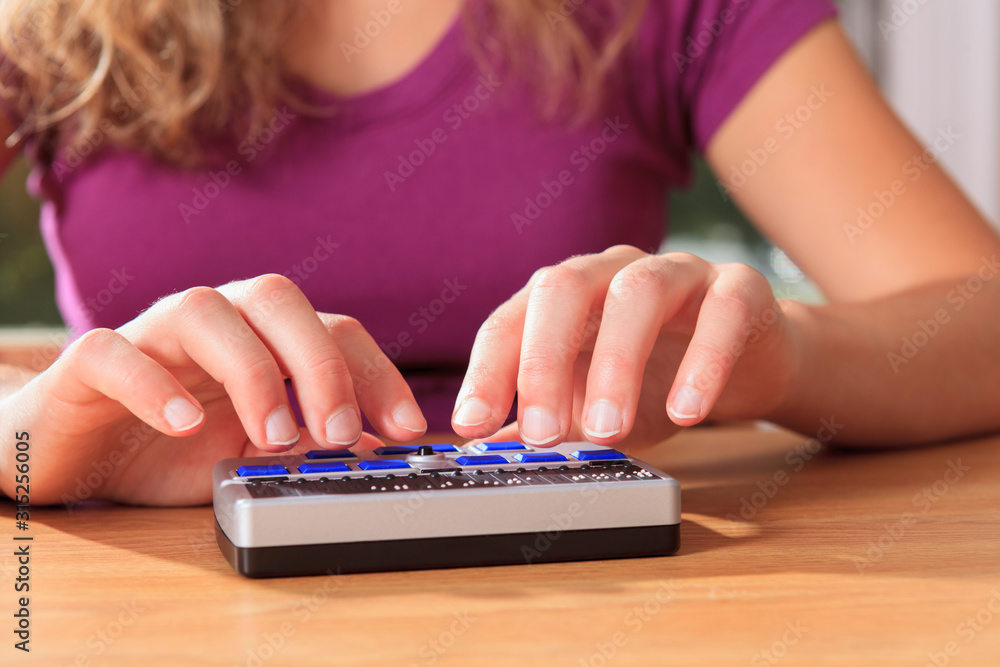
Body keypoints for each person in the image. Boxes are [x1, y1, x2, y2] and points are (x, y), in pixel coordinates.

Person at [1, 0, 998, 506]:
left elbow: (977, 311)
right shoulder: (42, 22)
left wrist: (783, 360)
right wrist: (25, 435)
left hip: (592, 597)